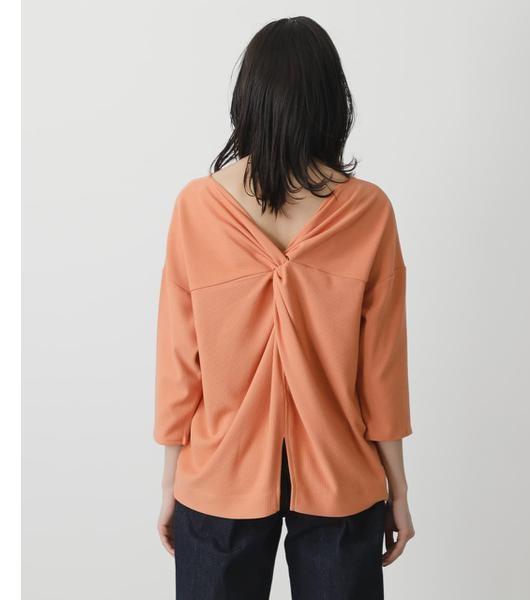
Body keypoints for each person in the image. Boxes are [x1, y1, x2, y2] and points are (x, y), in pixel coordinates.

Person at [154, 16, 415, 600]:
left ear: (248, 101)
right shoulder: (368, 212)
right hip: (340, 474)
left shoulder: (197, 208)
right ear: (331, 104)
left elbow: (179, 363)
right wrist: (397, 486)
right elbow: (382, 371)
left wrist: (171, 481)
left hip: (217, 474)